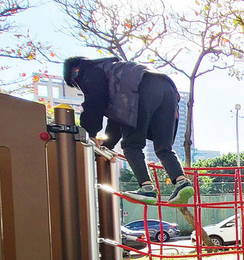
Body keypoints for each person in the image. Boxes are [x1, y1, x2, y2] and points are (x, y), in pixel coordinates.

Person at [64, 56, 194, 204]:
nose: (79, 84)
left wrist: (90, 133)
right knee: (163, 147)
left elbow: (94, 101)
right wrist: (107, 146)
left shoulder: (90, 71)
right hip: (167, 88)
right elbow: (117, 117)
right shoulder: (115, 70)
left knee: (132, 145)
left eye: (75, 80)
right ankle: (182, 182)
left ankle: (146, 189)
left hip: (141, 88)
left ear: (76, 69)